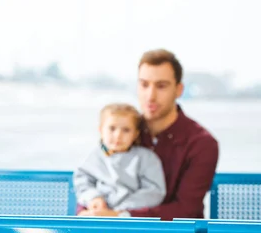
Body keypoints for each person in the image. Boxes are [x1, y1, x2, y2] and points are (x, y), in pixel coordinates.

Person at [80, 49, 219, 220]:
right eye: (144, 84)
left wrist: (120, 215)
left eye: (161, 86)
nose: (150, 96)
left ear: (178, 89)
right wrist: (91, 206)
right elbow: (95, 176)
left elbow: (186, 209)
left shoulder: (202, 144)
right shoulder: (122, 130)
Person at [74, 103, 166, 216]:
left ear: (135, 134)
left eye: (126, 130)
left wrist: (120, 210)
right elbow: (82, 181)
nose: (118, 135)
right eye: (112, 128)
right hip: (98, 212)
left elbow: (154, 192)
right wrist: (94, 198)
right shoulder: (94, 157)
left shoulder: (146, 158)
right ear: (101, 130)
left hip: (130, 218)